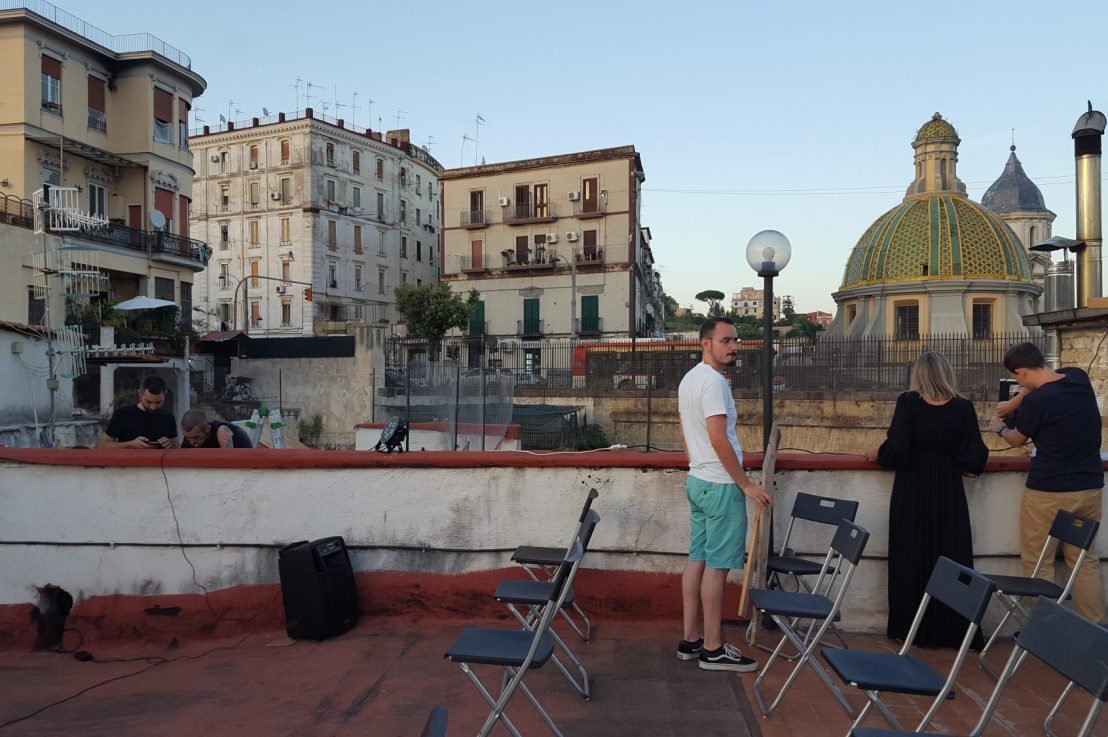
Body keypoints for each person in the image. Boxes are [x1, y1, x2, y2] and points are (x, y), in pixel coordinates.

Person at [865, 351, 989, 647]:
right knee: (951, 556)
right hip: (948, 490)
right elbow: (975, 455)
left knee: (910, 555)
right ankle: (954, 631)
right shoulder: (963, 407)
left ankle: (910, 628)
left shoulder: (908, 403)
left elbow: (897, 448)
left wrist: (878, 454)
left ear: (918, 375)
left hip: (912, 488)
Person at [677, 316, 773, 672]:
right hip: (719, 485)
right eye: (727, 340)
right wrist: (745, 484)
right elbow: (718, 438)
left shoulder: (689, 380)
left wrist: (697, 464)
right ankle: (714, 648)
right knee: (716, 568)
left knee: (697, 559)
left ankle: (690, 640)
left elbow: (687, 433)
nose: (734, 346)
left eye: (736, 340)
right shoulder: (714, 383)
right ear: (706, 343)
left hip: (698, 481)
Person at [988, 341, 1104, 624]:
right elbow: (1052, 376)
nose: (1016, 382)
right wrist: (1018, 399)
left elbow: (1018, 438)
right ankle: (1095, 627)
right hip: (1089, 487)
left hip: (1048, 490)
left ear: (1022, 372)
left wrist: (999, 425)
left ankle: (1043, 629)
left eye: (1016, 377)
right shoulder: (1078, 378)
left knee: (1039, 562)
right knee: (1083, 561)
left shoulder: (1038, 402)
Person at [99, 376, 178, 450]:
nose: (152, 407)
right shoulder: (122, 414)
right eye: (148, 402)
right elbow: (104, 445)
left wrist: (168, 444)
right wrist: (130, 444)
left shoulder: (168, 417)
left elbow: (176, 447)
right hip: (128, 463)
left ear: (165, 394)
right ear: (140, 394)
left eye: (158, 402)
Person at [180, 410, 253, 448]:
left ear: (207, 429)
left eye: (196, 437)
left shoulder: (221, 430)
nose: (191, 442)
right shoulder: (189, 439)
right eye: (187, 438)